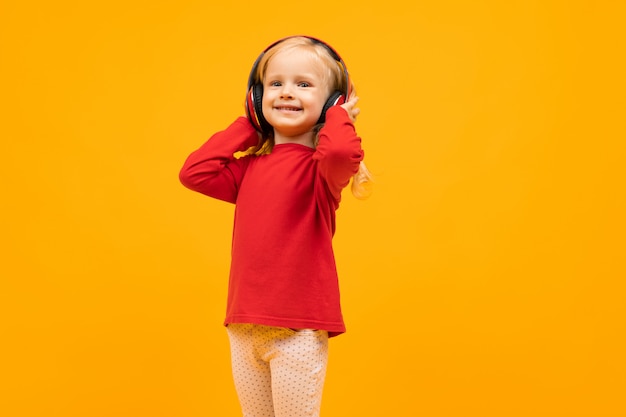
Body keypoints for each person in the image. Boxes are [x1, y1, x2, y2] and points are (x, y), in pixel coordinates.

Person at [179, 35, 372, 417]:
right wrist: (250, 126)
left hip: (297, 331)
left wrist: (340, 117)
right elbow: (194, 172)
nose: (286, 92)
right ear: (256, 97)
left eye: (303, 84)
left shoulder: (321, 172)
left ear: (331, 101)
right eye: (275, 83)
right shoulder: (248, 170)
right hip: (244, 326)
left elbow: (339, 151)